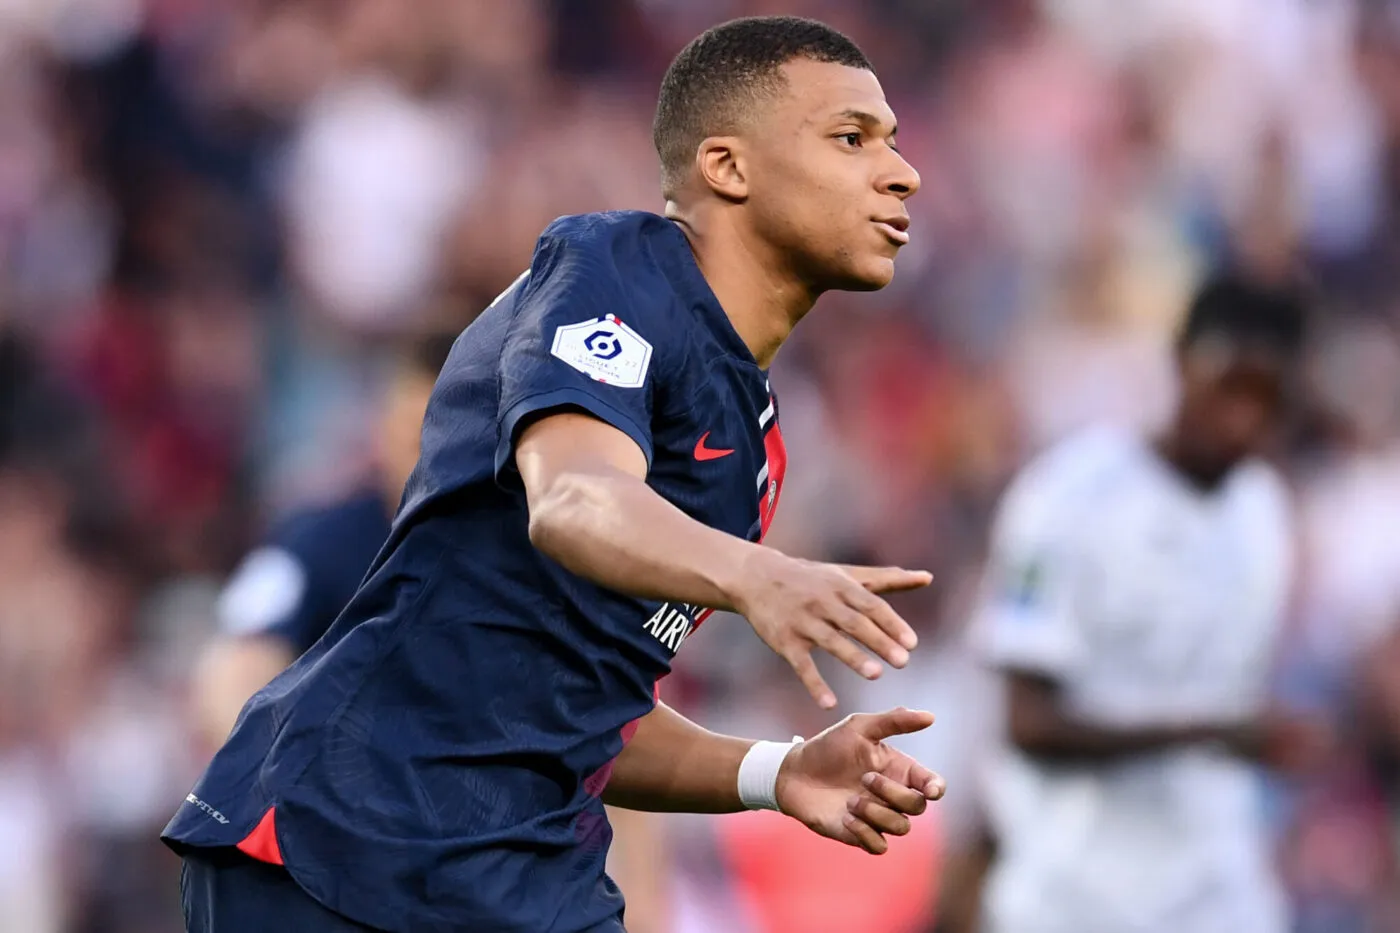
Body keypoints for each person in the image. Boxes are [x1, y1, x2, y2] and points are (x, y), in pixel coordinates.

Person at [164, 15, 944, 933]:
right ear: (727, 167)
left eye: (892, 141)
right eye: (852, 137)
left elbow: (586, 711)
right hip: (347, 844)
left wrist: (775, 770)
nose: (901, 172)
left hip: (519, 874)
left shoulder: (755, 449)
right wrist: (754, 574)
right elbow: (572, 498)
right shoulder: (615, 269)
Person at [972, 273, 1329, 933]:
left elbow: (1237, 691)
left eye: (1268, 399)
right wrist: (1211, 733)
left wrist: (1264, 738)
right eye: (1230, 386)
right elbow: (1029, 723)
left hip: (1216, 888)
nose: (1243, 419)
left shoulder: (1264, 513)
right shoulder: (1067, 498)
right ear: (1181, 360)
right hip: (1073, 890)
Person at [191, 331, 455, 751]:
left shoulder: (531, 546)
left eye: (456, 444)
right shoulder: (319, 542)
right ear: (382, 432)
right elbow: (235, 663)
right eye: (416, 441)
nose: (435, 463)